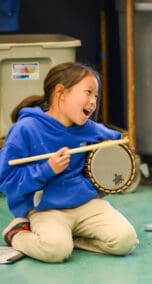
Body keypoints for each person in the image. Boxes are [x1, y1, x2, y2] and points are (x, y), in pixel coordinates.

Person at [0, 62, 139, 263]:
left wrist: (120, 153)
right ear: (60, 93)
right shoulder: (25, 129)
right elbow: (6, 180)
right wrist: (47, 170)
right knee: (56, 251)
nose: (93, 102)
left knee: (125, 241)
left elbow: (118, 140)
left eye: (96, 96)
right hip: (45, 209)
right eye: (88, 93)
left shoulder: (89, 129)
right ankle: (17, 233)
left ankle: (72, 238)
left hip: (85, 204)